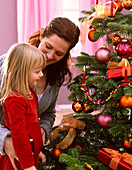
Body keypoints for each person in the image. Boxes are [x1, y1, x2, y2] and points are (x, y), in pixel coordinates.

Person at [0, 17, 80, 169]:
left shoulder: (54, 77)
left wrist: (41, 132)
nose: (50, 56)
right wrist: (4, 139)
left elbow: (48, 114)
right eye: (48, 46)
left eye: (59, 53)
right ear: (42, 35)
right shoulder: (7, 66)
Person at [0, 43, 46, 170]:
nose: (41, 74)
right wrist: (28, 165)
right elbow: (19, 135)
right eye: (37, 71)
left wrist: (37, 151)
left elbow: (32, 126)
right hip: (18, 158)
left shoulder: (30, 93)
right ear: (22, 72)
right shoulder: (14, 100)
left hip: (28, 155)